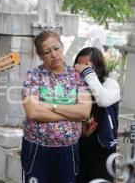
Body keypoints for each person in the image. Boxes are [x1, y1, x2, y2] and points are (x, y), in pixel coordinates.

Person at [21, 31, 92, 183]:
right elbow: (33, 112)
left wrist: (50, 105)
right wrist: (72, 113)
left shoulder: (77, 77)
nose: (54, 54)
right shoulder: (34, 76)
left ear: (62, 46)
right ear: (40, 55)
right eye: (47, 52)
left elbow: (84, 111)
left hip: (68, 150)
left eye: (56, 48)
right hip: (37, 149)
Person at [74, 47, 120, 182]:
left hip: (102, 147)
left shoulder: (110, 84)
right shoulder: (75, 86)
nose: (83, 71)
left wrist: (88, 73)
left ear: (98, 67)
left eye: (88, 67)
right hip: (78, 145)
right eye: (79, 66)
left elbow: (103, 101)